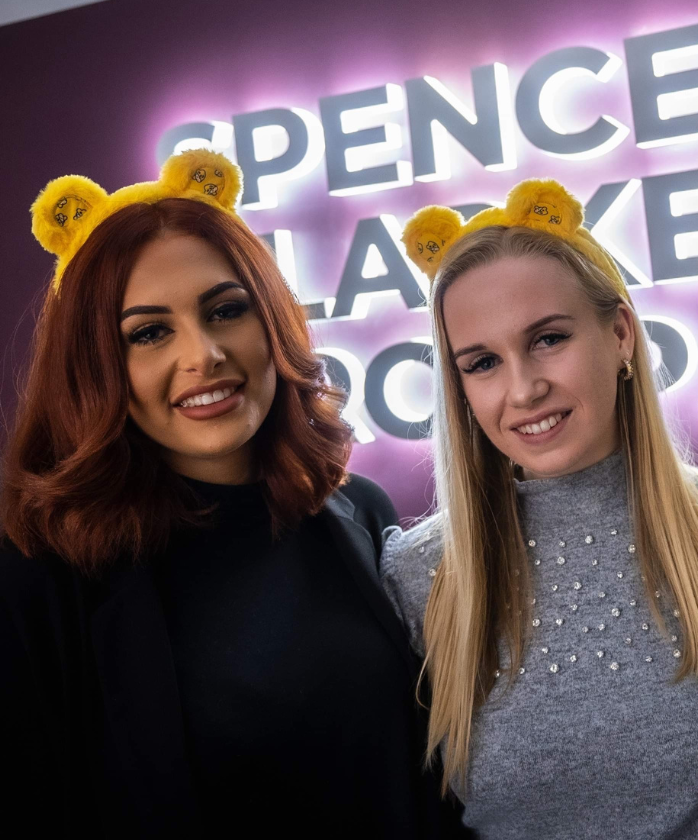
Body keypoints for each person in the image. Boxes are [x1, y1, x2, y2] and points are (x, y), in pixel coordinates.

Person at [0, 150, 465, 838]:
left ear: (272, 322)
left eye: (225, 311)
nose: (204, 354)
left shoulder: (358, 512)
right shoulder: (43, 567)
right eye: (150, 332)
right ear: (96, 366)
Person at [380, 179, 698, 839]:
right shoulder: (420, 574)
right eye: (483, 362)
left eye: (549, 339)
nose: (523, 389)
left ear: (619, 335)